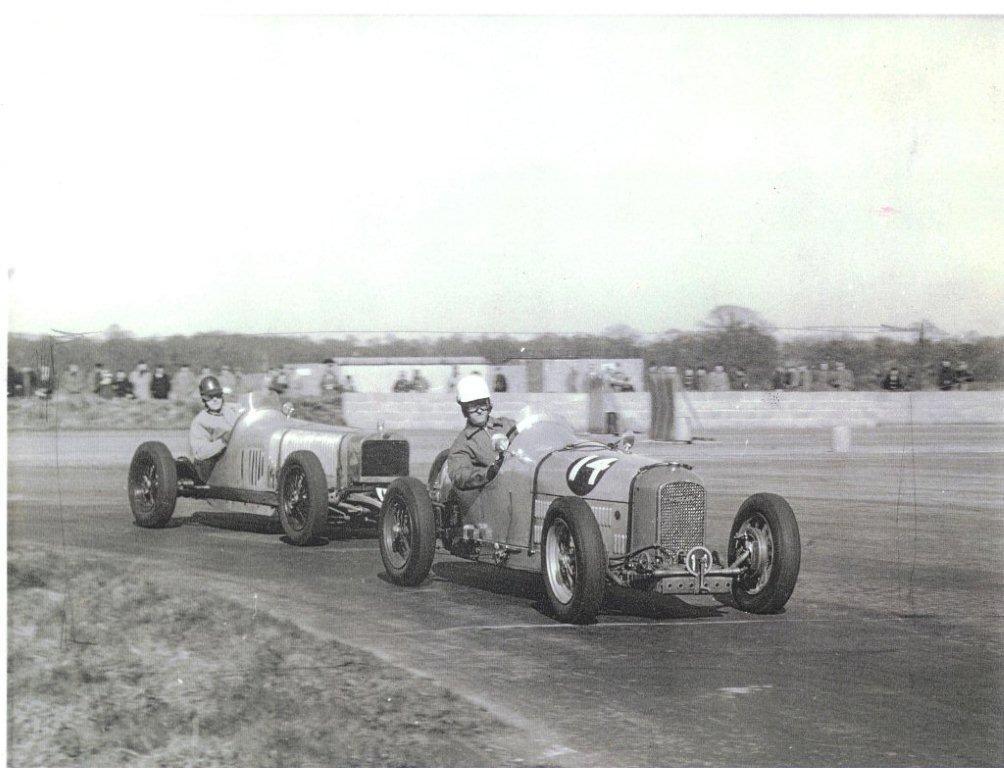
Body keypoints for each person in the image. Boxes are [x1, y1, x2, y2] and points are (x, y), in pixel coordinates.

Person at [447, 374, 517, 520]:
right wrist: (488, 473)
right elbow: (459, 475)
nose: (479, 410)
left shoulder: (508, 425)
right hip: (495, 502)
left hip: (521, 483)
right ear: (465, 409)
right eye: (473, 405)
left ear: (489, 404)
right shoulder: (463, 443)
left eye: (482, 403)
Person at [187, 375, 245, 482]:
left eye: (217, 395)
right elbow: (200, 453)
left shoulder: (230, 410)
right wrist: (224, 441)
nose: (215, 399)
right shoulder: (200, 421)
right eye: (210, 396)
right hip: (212, 469)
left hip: (238, 460)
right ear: (204, 399)